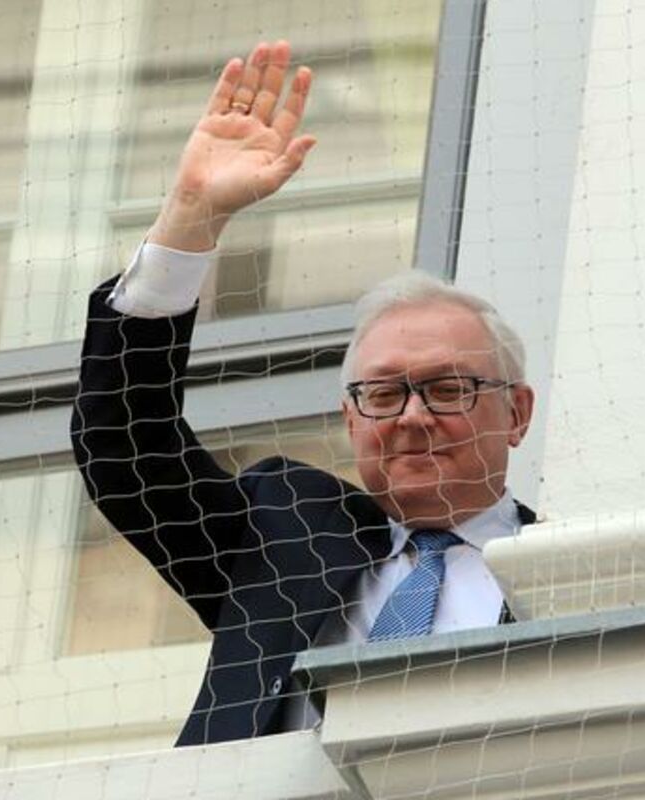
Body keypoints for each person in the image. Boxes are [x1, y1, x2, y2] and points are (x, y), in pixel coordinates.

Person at [71, 40, 536, 746]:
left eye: (447, 389)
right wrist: (192, 217)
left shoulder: (570, 570)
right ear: (350, 420)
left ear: (517, 412)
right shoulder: (287, 533)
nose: (413, 417)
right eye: (383, 394)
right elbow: (126, 449)